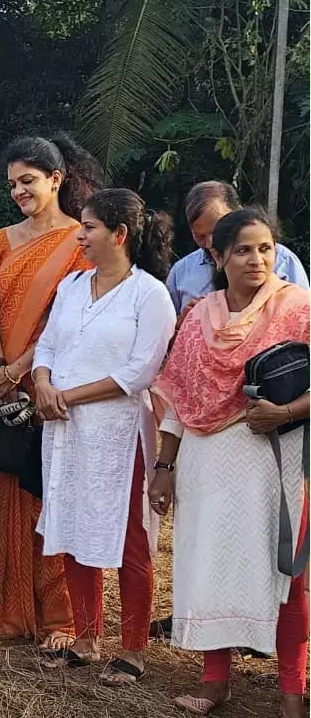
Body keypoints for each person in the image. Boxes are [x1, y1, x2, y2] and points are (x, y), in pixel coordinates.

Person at [149, 209, 310, 718]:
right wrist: (164, 468)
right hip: (207, 462)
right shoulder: (199, 317)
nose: (257, 259)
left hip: (275, 460)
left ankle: (292, 694)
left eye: (266, 248)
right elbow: (179, 398)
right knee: (210, 566)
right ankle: (215, 682)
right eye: (243, 250)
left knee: (286, 576)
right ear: (217, 257)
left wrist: (285, 411)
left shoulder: (298, 308)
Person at [31, 188, 176, 683]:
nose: (81, 236)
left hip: (119, 434)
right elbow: (47, 344)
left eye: (90, 227)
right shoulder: (72, 286)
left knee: (129, 536)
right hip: (66, 431)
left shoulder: (149, 294)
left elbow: (139, 372)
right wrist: (44, 383)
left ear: (120, 234)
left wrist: (67, 396)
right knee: (74, 526)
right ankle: (87, 638)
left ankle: (133, 649)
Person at [0, 134, 107, 649]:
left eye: (28, 181)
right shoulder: (0, 241)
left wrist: (21, 372)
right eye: (12, 184)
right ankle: (11, 610)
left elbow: (69, 323)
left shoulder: (82, 241)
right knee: (7, 493)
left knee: (49, 496)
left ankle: (61, 618)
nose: (19, 192)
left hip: (51, 384)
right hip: (3, 387)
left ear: (56, 179)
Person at [165, 180, 307, 316]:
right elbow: (167, 327)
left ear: (239, 212)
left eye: (218, 230)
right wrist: (188, 320)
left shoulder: (283, 262)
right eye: (200, 236)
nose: (210, 243)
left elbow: (303, 316)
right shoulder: (180, 273)